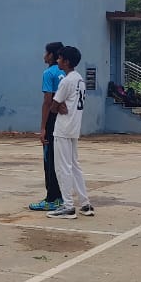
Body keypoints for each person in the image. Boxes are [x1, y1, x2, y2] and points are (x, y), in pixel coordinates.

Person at [48, 46, 94, 219]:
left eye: (60, 59)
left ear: (66, 61)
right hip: (74, 127)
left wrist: (58, 106)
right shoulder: (79, 79)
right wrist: (60, 105)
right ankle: (85, 203)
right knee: (75, 166)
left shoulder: (66, 81)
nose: (58, 61)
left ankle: (67, 206)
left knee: (63, 168)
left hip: (63, 129)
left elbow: (54, 105)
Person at [30, 41, 65, 211]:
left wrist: (43, 127)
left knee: (49, 159)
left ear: (51, 55)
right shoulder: (68, 73)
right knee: (62, 160)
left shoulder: (49, 73)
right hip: (66, 120)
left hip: (53, 119)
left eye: (46, 53)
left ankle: (52, 198)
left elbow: (47, 101)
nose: (44, 56)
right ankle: (61, 196)